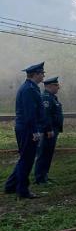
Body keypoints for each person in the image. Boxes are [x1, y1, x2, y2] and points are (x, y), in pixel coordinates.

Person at [4, 62, 46, 199]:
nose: (43, 76)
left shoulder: (31, 87)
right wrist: (34, 132)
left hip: (26, 127)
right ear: (35, 74)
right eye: (42, 73)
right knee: (27, 160)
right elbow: (30, 113)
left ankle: (10, 186)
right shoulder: (29, 89)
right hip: (27, 129)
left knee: (25, 158)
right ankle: (23, 190)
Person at [35, 76, 64, 185]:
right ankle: (40, 178)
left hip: (52, 130)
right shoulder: (46, 98)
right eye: (56, 85)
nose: (58, 87)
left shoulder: (52, 97)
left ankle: (44, 175)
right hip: (48, 131)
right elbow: (45, 116)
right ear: (50, 86)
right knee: (43, 153)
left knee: (48, 153)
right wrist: (49, 129)